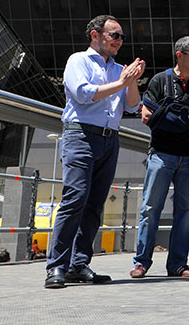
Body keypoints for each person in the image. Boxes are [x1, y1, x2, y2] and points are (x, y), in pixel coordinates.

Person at [45, 15, 144, 289]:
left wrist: (132, 80)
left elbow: (133, 106)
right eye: (114, 35)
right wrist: (123, 82)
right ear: (95, 35)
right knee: (74, 198)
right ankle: (56, 266)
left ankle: (78, 264)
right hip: (81, 134)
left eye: (121, 37)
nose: (119, 41)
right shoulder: (79, 60)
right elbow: (82, 93)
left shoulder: (119, 70)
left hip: (110, 138)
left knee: (95, 204)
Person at [131, 36, 189, 279]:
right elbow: (146, 116)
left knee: (185, 212)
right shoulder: (160, 80)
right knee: (150, 208)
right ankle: (141, 262)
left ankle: (178, 264)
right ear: (180, 54)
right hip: (162, 155)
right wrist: (186, 120)